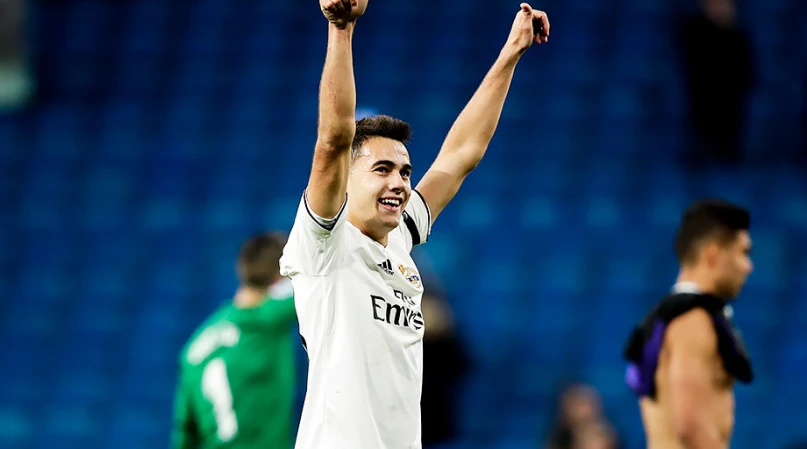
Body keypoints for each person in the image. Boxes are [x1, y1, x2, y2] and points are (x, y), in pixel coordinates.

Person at [279, 1, 550, 448]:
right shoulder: (324, 243)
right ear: (347, 178)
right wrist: (341, 30)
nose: (400, 183)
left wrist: (510, 53)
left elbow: (460, 155)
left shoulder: (399, 239)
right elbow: (333, 140)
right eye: (382, 169)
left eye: (405, 172)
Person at [623, 200, 755, 449]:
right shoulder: (692, 320)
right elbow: (690, 426)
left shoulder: (670, 316)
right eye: (742, 253)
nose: (748, 267)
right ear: (713, 254)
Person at [172, 232, 297, 449]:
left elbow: (184, 435)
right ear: (280, 278)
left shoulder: (194, 348)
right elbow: (319, 282)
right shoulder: (268, 319)